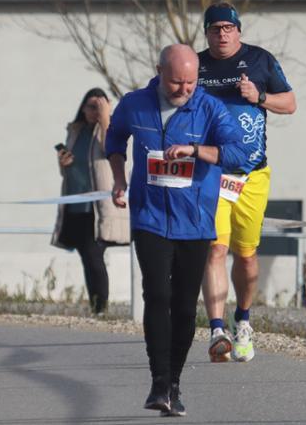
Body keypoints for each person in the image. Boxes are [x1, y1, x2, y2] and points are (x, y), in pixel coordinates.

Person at [106, 44, 260, 417]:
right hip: (150, 216)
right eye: (176, 82)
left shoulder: (208, 107)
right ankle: (158, 383)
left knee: (183, 305)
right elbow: (114, 139)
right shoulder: (135, 103)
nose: (184, 90)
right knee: (156, 294)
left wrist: (196, 151)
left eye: (190, 82)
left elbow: (241, 152)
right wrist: (118, 179)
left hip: (194, 221)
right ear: (159, 71)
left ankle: (174, 382)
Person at [195, 3, 296, 365]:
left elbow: (290, 103)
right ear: (206, 32)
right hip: (210, 174)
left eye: (228, 27)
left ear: (239, 30)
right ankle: (216, 328)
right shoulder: (197, 65)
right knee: (215, 250)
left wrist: (260, 97)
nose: (222, 34)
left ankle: (244, 320)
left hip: (252, 175)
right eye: (215, 28)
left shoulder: (260, 61)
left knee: (247, 255)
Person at [51, 88, 130, 315]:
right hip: (76, 203)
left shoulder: (109, 129)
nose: (94, 111)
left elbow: (111, 149)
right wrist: (63, 163)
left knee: (94, 255)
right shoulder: (76, 131)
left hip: (99, 207)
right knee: (87, 256)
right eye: (91, 107)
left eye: (99, 106)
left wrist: (106, 117)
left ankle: (100, 308)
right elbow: (71, 169)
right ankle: (95, 306)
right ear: (82, 108)